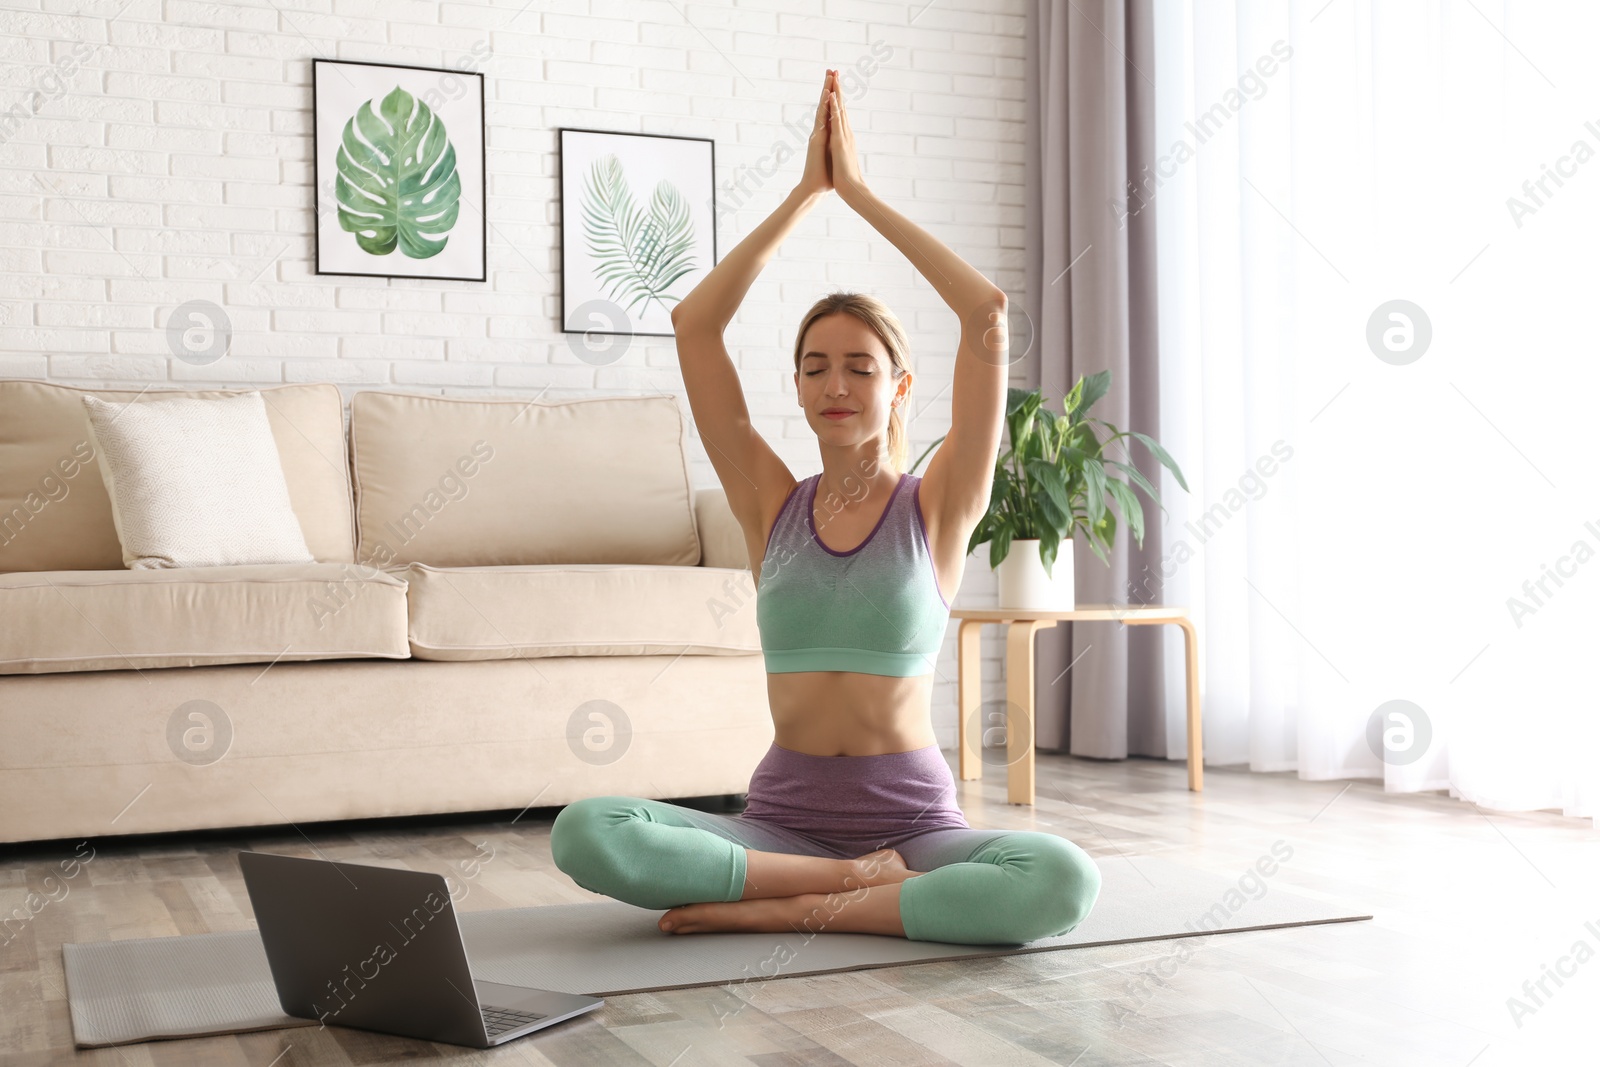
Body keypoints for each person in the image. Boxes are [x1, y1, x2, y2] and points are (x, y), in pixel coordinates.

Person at [549, 70, 1101, 945]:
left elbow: (986, 315)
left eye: (859, 365)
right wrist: (807, 194)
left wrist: (863, 196)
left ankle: (793, 908)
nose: (835, 384)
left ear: (899, 385)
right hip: (779, 825)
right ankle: (848, 886)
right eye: (814, 366)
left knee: (1061, 878)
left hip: (918, 830)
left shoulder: (941, 506)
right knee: (587, 830)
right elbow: (694, 325)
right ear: (798, 388)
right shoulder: (772, 503)